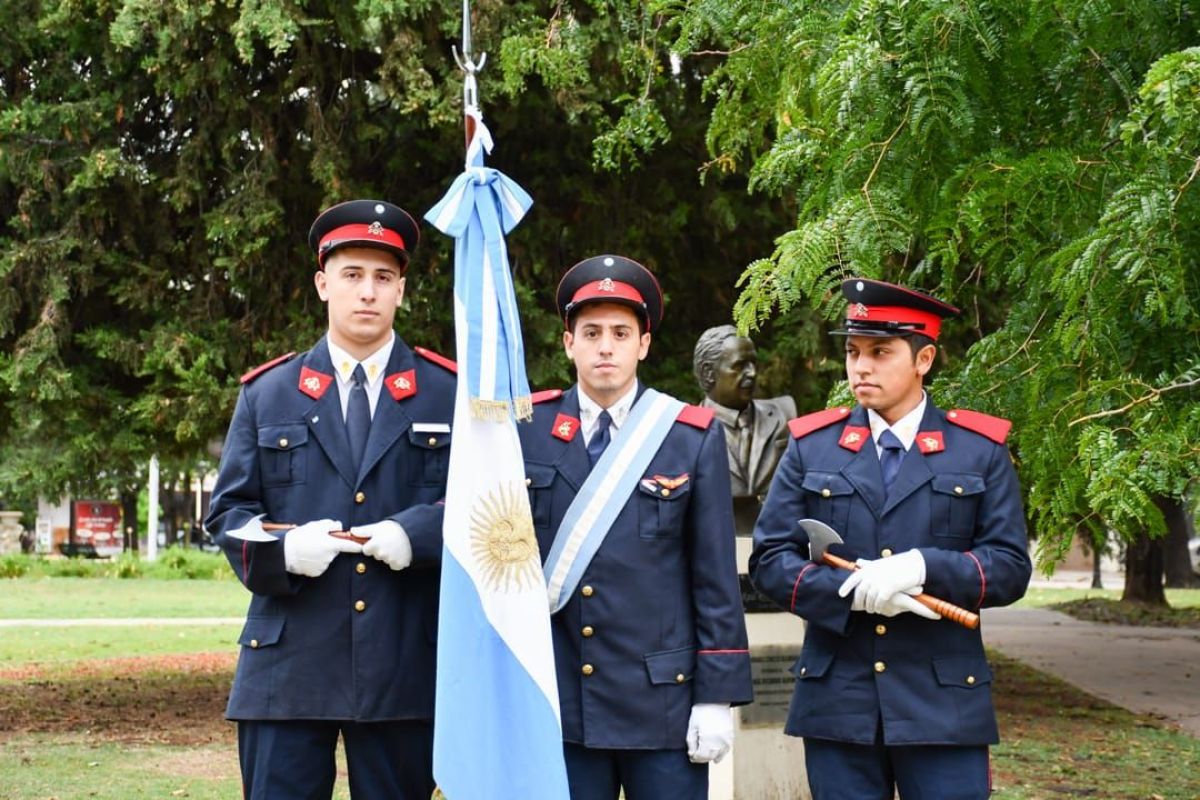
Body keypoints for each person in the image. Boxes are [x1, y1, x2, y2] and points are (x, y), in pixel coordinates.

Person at [205, 199, 456, 800]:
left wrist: (414, 536)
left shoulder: (447, 394)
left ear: (401, 290)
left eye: (383, 277)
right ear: (323, 284)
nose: (367, 292)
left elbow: (483, 511)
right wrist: (286, 548)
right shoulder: (269, 394)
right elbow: (229, 516)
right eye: (352, 275)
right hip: (288, 664)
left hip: (403, 664)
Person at [749, 278, 1032, 800]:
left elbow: (1010, 566)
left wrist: (926, 567)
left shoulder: (976, 451)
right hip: (840, 700)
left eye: (880, 352)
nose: (861, 366)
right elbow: (770, 559)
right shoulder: (815, 447)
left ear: (924, 358)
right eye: (853, 351)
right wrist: (844, 592)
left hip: (944, 702)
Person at [519, 255, 753, 800]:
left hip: (662, 705)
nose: (606, 347)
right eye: (592, 332)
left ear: (643, 345)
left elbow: (714, 576)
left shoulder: (688, 437)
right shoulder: (527, 432)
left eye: (621, 333)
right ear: (568, 342)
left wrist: (716, 696)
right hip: (561, 699)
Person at [694, 324, 796, 536]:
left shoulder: (784, 413)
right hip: (718, 540)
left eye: (754, 364)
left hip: (772, 538)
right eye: (740, 366)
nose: (752, 373)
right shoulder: (687, 430)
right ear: (708, 372)